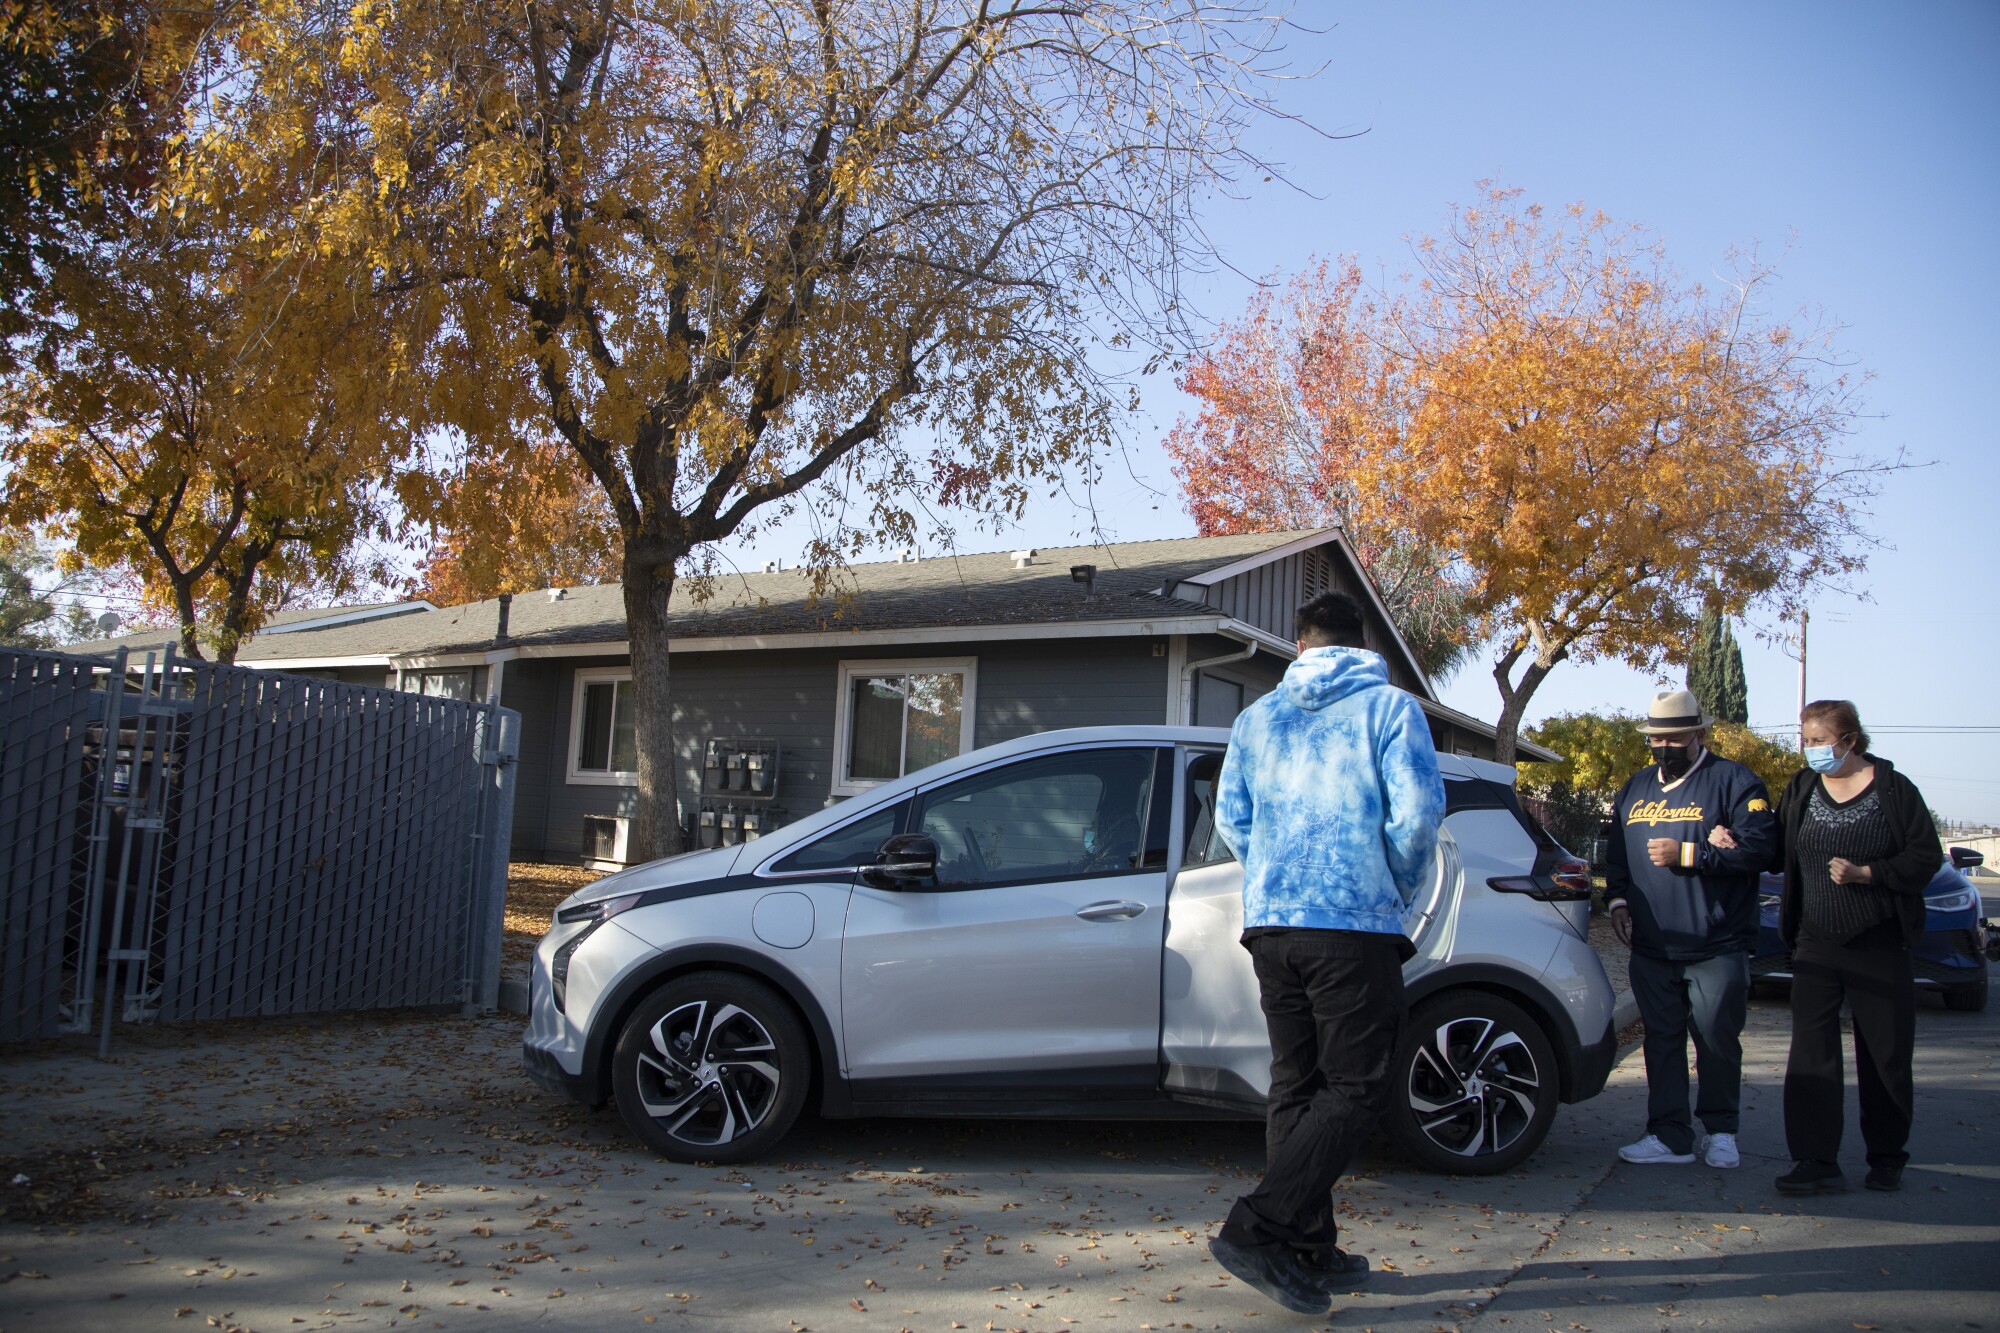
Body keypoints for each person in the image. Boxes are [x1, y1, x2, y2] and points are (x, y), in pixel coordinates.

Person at [1206, 591, 1445, 1316]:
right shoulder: (1389, 709)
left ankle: (1305, 1246)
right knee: (1359, 1087)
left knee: (1297, 1084)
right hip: (1352, 922)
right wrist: (1393, 890)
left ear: (1300, 644)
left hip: (1271, 925)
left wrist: (1274, 873)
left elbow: (1230, 817)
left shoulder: (1256, 717)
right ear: (1361, 641)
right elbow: (1418, 816)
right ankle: (1256, 1227)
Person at [1711, 700, 1943, 1194]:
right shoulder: (1801, 788)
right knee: (1811, 1055)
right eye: (1806, 739)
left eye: (1818, 740)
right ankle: (1816, 1161)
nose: (1810, 748)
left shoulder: (1895, 791)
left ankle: (1885, 1157)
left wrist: (1870, 873)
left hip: (1879, 942)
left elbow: (1925, 857)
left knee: (1884, 1055)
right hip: (1815, 940)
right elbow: (1777, 848)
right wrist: (1735, 841)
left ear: (1850, 741)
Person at [1604, 688, 1777, 1170]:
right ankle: (1669, 1134)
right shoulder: (1635, 788)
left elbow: (1763, 849)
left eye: (1675, 738)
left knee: (1716, 1039)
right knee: (1661, 1040)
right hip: (1653, 943)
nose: (1664, 747)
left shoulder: (1735, 782)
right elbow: (1616, 858)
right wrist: (1617, 901)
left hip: (1716, 943)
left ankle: (1721, 1131)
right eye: (1656, 739)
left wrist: (1694, 853)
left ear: (1699, 734)